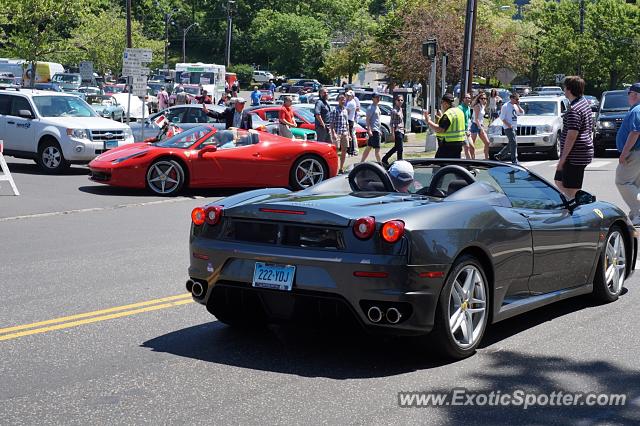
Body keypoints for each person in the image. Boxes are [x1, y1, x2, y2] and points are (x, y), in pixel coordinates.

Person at [554, 76, 593, 199]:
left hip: (575, 154)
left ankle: (580, 207)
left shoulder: (574, 110)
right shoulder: (584, 103)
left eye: (564, 87)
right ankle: (578, 200)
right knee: (559, 180)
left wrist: (563, 159)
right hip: (581, 151)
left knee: (572, 191)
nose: (563, 90)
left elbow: (572, 135)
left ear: (569, 89)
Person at [615, 82, 640, 225]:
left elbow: (635, 132)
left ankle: (638, 212)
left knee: (622, 181)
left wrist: (624, 153)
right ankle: (635, 214)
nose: (628, 97)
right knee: (635, 184)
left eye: (629, 93)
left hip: (634, 153)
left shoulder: (636, 110)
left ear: (635, 95)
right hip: (637, 152)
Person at [426, 93, 466, 158]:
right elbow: (451, 124)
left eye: (442, 103)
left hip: (448, 145)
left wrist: (428, 121)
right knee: (454, 165)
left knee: (439, 164)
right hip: (459, 144)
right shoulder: (459, 111)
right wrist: (440, 118)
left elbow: (440, 129)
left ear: (445, 103)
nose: (442, 105)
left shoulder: (448, 113)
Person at [495, 93, 524, 163]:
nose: (518, 100)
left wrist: (518, 105)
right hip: (508, 128)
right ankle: (514, 159)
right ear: (512, 98)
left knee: (511, 143)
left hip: (514, 127)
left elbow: (522, 113)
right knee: (514, 143)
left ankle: (500, 155)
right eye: (516, 99)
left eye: (518, 99)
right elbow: (502, 117)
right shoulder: (505, 106)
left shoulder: (515, 106)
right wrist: (509, 125)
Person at [329, 94, 350, 173]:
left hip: (344, 132)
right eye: (341, 99)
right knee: (336, 151)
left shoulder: (345, 110)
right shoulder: (334, 110)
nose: (343, 101)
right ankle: (335, 168)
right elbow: (331, 124)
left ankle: (341, 168)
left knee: (344, 150)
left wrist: (349, 134)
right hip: (337, 133)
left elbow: (347, 123)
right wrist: (333, 133)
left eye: (344, 99)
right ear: (338, 100)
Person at [382, 96, 405, 165]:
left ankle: (385, 158)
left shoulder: (400, 109)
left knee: (396, 147)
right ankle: (399, 161)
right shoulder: (394, 111)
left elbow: (401, 120)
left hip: (402, 130)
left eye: (401, 100)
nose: (400, 101)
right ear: (395, 101)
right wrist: (392, 133)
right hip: (397, 130)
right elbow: (392, 123)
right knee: (400, 148)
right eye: (398, 100)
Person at [361, 93, 382, 163]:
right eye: (377, 97)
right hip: (374, 130)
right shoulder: (370, 108)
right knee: (377, 149)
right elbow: (367, 120)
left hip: (377, 130)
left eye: (379, 97)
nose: (378, 99)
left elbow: (378, 120)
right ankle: (380, 164)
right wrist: (369, 130)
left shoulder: (377, 107)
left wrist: (380, 130)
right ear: (373, 98)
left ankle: (361, 162)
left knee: (369, 147)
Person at [470, 91, 491, 159]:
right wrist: (481, 128)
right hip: (475, 125)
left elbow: (481, 117)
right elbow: (476, 119)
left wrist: (481, 126)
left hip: (480, 125)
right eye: (482, 98)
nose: (484, 99)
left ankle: (486, 158)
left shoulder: (483, 106)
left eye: (485, 98)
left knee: (487, 142)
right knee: (472, 144)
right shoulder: (477, 106)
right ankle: (473, 159)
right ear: (479, 99)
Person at [459, 93, 474, 159]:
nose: (468, 99)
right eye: (466, 97)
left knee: (472, 147)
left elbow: (468, 120)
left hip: (467, 131)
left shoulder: (468, 108)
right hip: (462, 131)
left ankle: (474, 164)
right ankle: (469, 165)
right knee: (467, 148)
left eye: (469, 98)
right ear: (463, 99)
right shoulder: (460, 108)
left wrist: (469, 130)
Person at [345, 91, 359, 156]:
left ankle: (350, 151)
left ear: (352, 96)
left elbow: (346, 113)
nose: (347, 96)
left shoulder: (350, 103)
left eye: (349, 95)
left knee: (349, 136)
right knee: (351, 135)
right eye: (347, 95)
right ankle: (352, 150)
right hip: (351, 120)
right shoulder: (352, 102)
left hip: (349, 120)